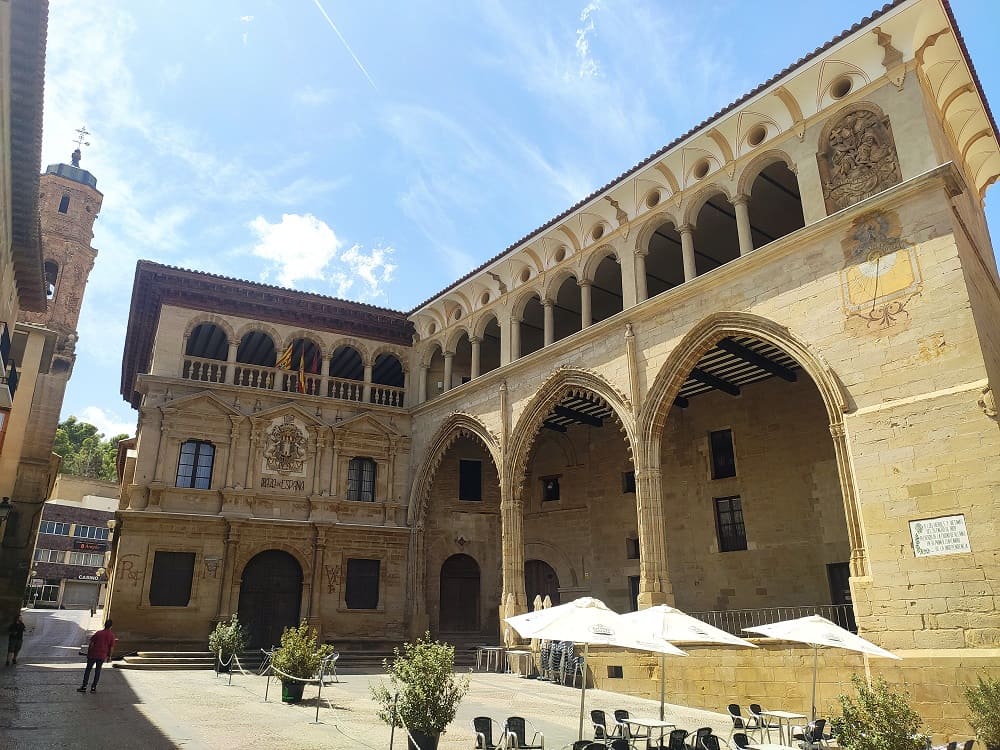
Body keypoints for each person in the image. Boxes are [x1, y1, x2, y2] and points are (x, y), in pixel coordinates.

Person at [77, 619, 115, 693]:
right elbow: (111, 647)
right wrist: (109, 657)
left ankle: (84, 686)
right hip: (102, 656)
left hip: (93, 654)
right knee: (98, 671)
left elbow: (91, 644)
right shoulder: (111, 635)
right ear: (111, 626)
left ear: (105, 625)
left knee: (88, 670)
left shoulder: (98, 633)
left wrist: (89, 653)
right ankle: (93, 688)